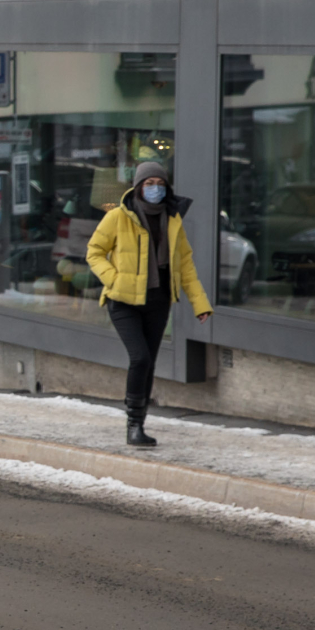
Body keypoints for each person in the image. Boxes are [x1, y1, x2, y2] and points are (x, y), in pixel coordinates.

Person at [86, 159, 212, 448]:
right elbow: (94, 252)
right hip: (123, 301)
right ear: (138, 187)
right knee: (139, 358)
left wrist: (200, 303)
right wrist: (114, 280)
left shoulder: (172, 218)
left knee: (149, 363)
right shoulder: (119, 216)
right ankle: (132, 424)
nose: (155, 188)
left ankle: (139, 427)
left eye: (159, 184)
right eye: (149, 183)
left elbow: (185, 265)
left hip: (158, 301)